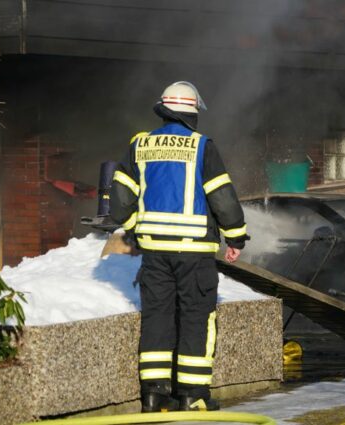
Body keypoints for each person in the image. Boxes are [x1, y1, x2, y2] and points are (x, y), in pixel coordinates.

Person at [109, 81, 248, 413]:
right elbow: (223, 198)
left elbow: (119, 199)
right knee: (196, 318)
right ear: (192, 113)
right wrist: (236, 236)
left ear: (164, 110)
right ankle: (192, 394)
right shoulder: (202, 147)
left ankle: (154, 395)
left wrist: (134, 229)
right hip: (195, 253)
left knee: (157, 316)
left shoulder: (139, 145)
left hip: (154, 253)